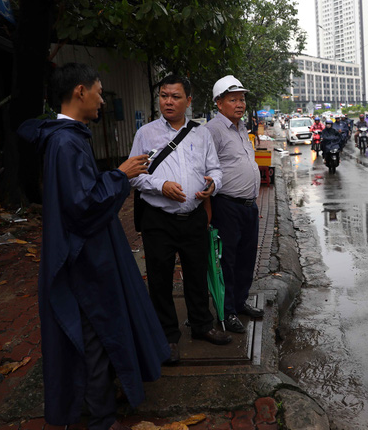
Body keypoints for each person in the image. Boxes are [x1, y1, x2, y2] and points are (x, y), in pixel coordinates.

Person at [17, 63, 169, 430]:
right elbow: (81, 207)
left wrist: (113, 175)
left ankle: (100, 405)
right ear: (80, 91)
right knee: (97, 335)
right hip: (83, 259)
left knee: (100, 332)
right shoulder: (66, 142)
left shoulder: (68, 137)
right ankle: (101, 420)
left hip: (86, 252)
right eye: (99, 91)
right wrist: (121, 175)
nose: (103, 99)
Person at [130, 75, 231, 354]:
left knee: (197, 274)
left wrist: (213, 185)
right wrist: (160, 186)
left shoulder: (201, 133)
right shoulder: (145, 134)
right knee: (160, 279)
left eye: (175, 96)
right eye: (164, 96)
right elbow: (134, 177)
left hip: (193, 216)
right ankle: (167, 336)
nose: (168, 102)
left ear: (188, 100)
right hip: (157, 219)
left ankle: (201, 324)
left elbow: (216, 169)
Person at [205, 75, 265, 334]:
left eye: (242, 99)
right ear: (219, 103)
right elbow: (206, 170)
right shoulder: (212, 130)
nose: (240, 104)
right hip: (226, 205)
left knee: (246, 257)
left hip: (248, 205)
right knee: (226, 261)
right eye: (233, 99)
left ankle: (240, 302)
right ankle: (227, 311)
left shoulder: (241, 127)